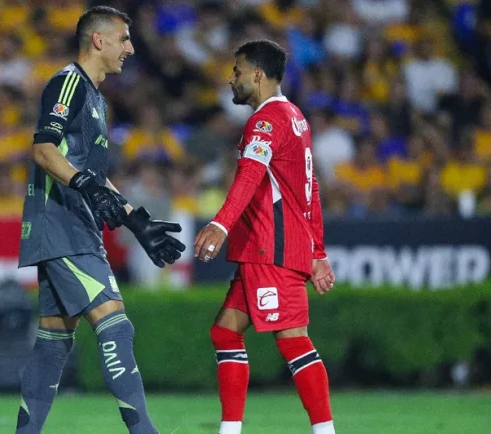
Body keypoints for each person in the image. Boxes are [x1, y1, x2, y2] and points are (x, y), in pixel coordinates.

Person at [16, 6, 185, 434]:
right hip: (62, 225)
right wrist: (84, 185)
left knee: (54, 341)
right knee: (116, 325)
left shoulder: (96, 98)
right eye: (124, 39)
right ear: (99, 40)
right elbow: (43, 149)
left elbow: (94, 175)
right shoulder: (68, 83)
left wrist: (135, 221)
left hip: (72, 226)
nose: (131, 48)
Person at [194, 40, 337, 434]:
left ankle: (325, 432)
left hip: (270, 246)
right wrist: (317, 251)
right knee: (225, 332)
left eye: (237, 71)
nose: (231, 79)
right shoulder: (295, 116)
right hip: (268, 246)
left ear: (257, 73)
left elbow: (250, 176)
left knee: (293, 339)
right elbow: (310, 188)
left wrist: (220, 224)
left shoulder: (266, 120)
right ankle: (230, 430)